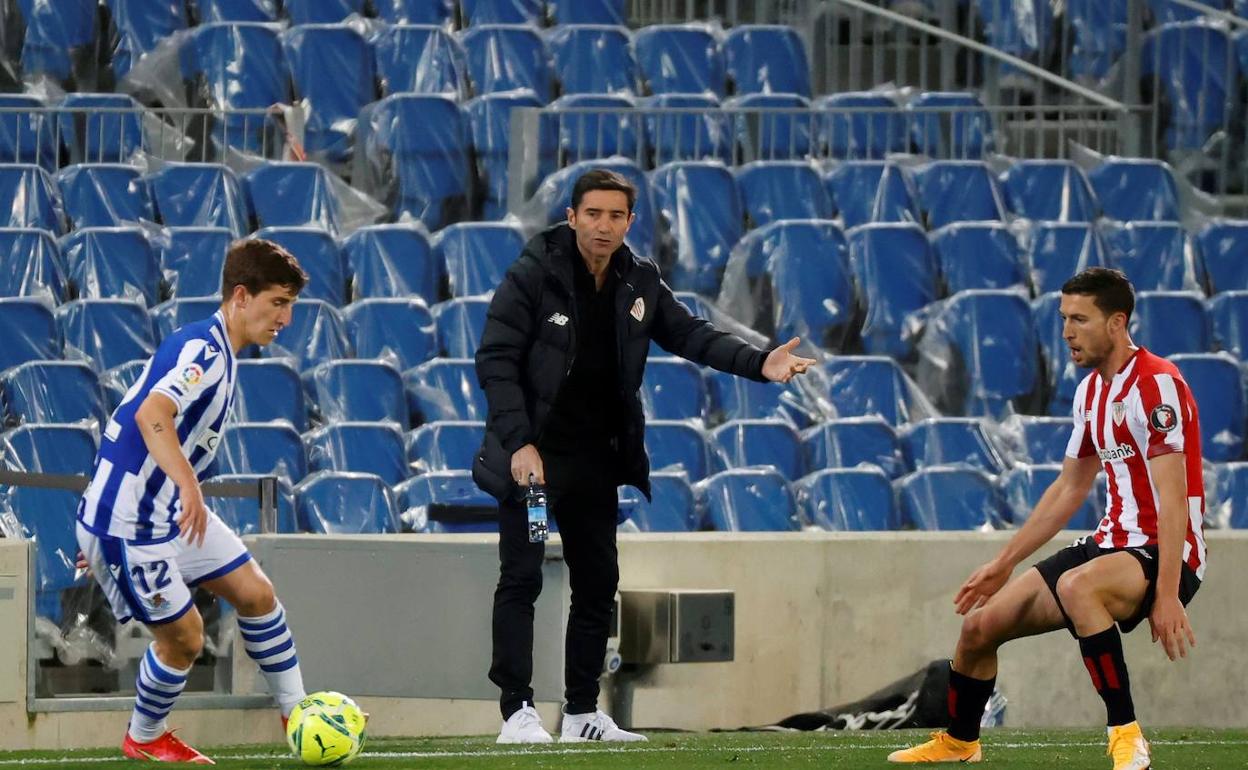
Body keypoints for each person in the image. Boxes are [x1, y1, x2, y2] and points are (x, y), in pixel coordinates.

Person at [473, 169, 816, 744]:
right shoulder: (533, 274)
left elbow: (693, 335)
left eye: (616, 216)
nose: (604, 226)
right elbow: (496, 361)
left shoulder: (640, 280)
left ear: (630, 222)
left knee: (598, 584)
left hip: (595, 463)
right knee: (523, 579)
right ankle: (518, 712)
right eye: (593, 214)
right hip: (535, 466)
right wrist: (519, 443)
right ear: (572, 216)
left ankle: (582, 712)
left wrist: (760, 362)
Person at [888, 267, 1206, 769]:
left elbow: (1175, 499)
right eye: (1063, 318)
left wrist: (1167, 593)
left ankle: (1126, 736)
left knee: (1080, 586)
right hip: (1110, 544)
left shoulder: (1157, 385)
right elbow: (1069, 487)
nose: (1066, 332)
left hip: (1167, 551)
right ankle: (959, 741)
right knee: (977, 629)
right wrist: (1003, 563)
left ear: (1117, 323)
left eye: (1079, 319)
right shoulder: (1089, 393)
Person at [75, 239, 311, 764]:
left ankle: (298, 714)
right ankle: (145, 735)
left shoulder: (218, 348)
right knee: (185, 638)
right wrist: (184, 487)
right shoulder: (203, 351)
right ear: (242, 296)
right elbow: (150, 414)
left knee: (256, 594)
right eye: (278, 303)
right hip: (133, 522)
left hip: (153, 514)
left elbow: (129, 420)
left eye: (291, 305)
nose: (286, 318)